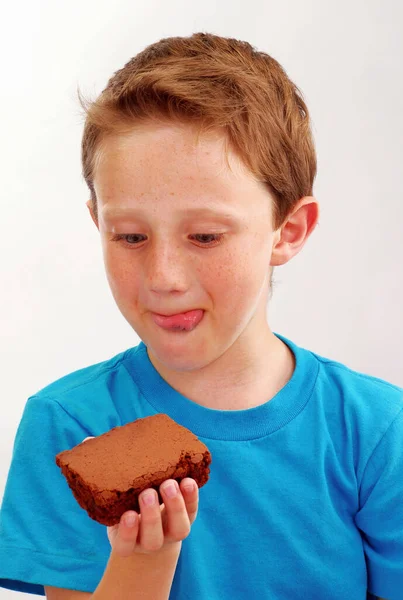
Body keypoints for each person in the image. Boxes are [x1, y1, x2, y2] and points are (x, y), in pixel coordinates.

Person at [0, 31, 401, 600]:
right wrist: (146, 557)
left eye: (206, 235)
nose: (164, 276)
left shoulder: (377, 431)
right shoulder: (69, 427)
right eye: (131, 235)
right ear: (98, 224)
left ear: (288, 230)